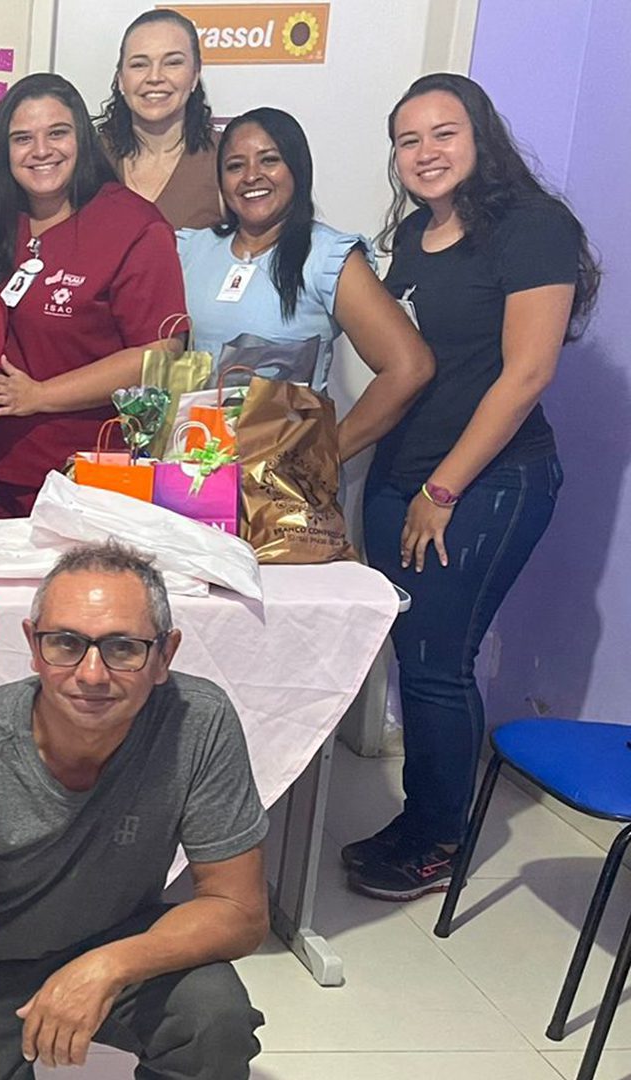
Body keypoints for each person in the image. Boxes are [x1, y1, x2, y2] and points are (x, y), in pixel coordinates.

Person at [345, 73, 600, 902]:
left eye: (443, 133)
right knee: (411, 652)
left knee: (437, 662)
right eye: (408, 139)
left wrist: (444, 489)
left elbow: (526, 375)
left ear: (480, 138)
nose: (425, 153)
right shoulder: (418, 234)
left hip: (487, 482)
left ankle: (438, 839)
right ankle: (422, 816)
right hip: (405, 475)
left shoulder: (532, 229)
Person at [0, 542, 268, 1080]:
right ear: (34, 647)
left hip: (111, 935)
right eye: (65, 643)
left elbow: (241, 911)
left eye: (123, 648)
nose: (91, 673)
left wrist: (109, 965)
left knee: (213, 1019)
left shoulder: (198, 723)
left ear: (164, 656)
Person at [0, 73, 186, 516]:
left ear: (82, 137)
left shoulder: (134, 226)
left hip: (92, 480)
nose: (41, 151)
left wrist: (39, 395)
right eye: (23, 138)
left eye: (57, 133)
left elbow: (161, 352)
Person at [178, 107, 432, 456]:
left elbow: (410, 367)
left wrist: (322, 458)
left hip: (279, 495)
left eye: (269, 160)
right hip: (191, 471)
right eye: (235, 166)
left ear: (297, 168)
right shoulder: (190, 249)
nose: (252, 176)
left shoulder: (327, 256)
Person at [96, 9, 221, 230]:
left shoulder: (225, 158)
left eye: (172, 63)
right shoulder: (90, 157)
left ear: (194, 75)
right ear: (121, 79)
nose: (155, 77)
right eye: (139, 64)